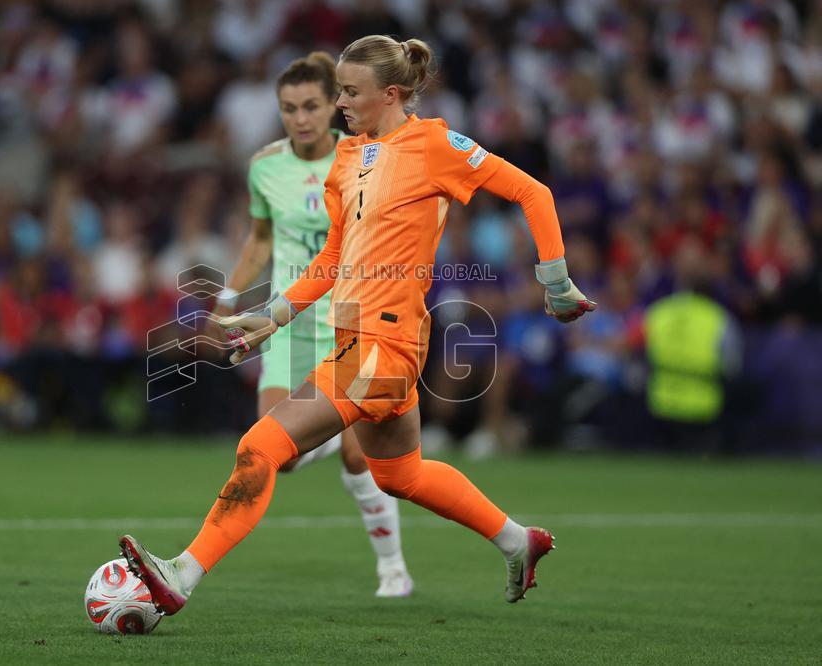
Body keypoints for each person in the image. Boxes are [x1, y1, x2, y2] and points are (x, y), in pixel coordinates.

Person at [120, 35, 595, 617]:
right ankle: (519, 540)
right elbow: (332, 259)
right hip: (357, 338)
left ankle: (181, 574)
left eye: (349, 92)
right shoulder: (348, 158)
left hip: (387, 341)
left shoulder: (433, 143)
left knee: (260, 443)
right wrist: (273, 316)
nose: (339, 102)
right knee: (401, 476)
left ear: (390, 94)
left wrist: (555, 281)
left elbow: (532, 190)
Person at [209, 51, 413, 597]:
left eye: (311, 106)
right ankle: (328, 433)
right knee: (279, 454)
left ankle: (393, 569)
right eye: (288, 108)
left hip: (352, 318)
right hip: (288, 323)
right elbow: (260, 239)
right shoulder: (265, 166)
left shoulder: (363, 158)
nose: (300, 118)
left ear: (333, 105)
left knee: (359, 455)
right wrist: (226, 300)